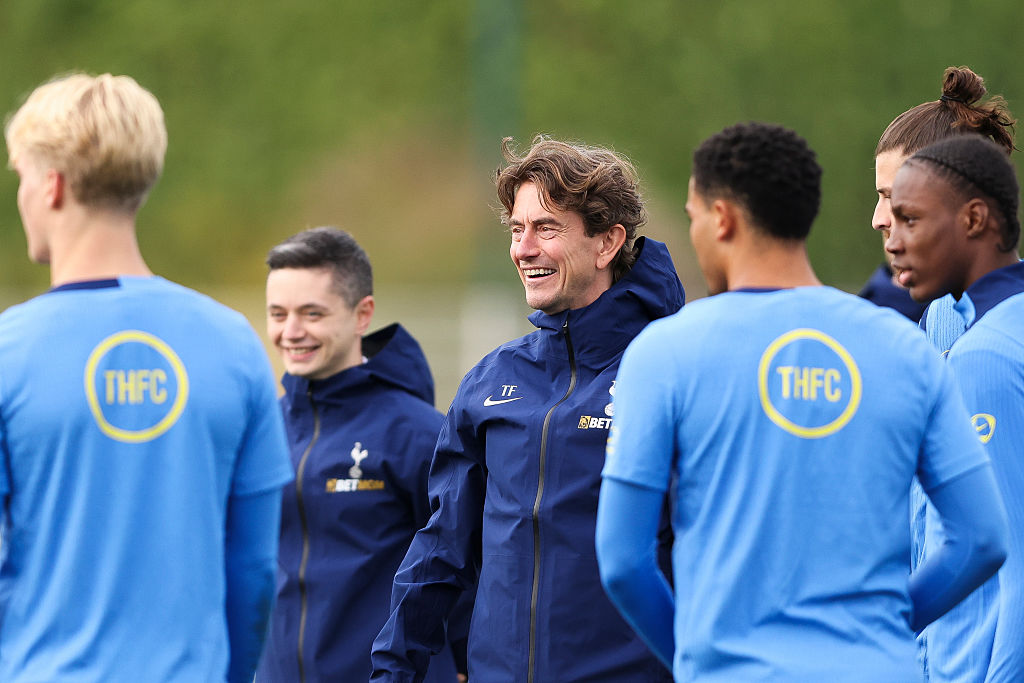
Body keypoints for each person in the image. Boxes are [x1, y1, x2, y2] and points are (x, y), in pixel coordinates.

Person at [597, 122, 1008, 682]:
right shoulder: (904, 347)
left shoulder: (663, 352)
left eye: (692, 217)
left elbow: (622, 562)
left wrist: (699, 661)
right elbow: (982, 538)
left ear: (722, 219)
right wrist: (882, 630)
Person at [0, 73, 292, 682]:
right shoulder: (234, 344)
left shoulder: (10, 351)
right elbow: (256, 568)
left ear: (51, 186)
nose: (20, 193)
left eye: (20, 175)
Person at [371, 135, 685, 681]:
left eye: (546, 228)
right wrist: (392, 673)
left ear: (607, 243)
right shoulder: (491, 381)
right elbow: (442, 550)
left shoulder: (671, 370)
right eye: (517, 229)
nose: (523, 249)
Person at [256, 226, 464, 682]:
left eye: (312, 313)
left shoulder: (418, 433)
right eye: (278, 314)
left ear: (362, 314)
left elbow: (467, 569)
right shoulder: (262, 431)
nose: (291, 332)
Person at [870, 65, 1017, 683]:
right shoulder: (940, 326)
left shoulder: (988, 353)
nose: (879, 219)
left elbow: (1004, 558)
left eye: (895, 201)